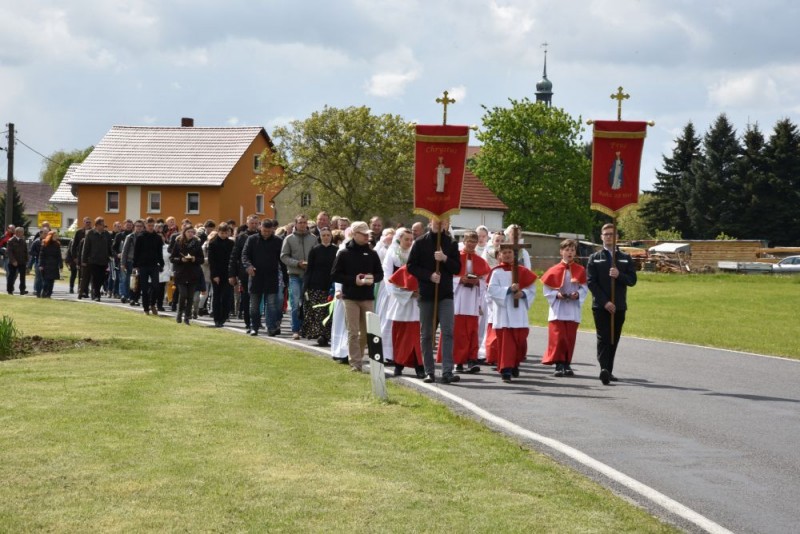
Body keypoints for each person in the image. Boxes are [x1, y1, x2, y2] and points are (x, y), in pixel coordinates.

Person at [406, 218, 461, 384]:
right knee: (427, 334)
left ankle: (447, 371)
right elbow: (411, 266)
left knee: (448, 331)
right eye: (436, 220)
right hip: (427, 294)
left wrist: (445, 259)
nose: (439, 223)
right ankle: (429, 371)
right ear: (430, 221)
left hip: (445, 294)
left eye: (443, 221)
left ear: (447, 223)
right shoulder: (420, 242)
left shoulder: (451, 243)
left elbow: (457, 268)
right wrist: (429, 276)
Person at [587, 223, 637, 385]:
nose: (609, 236)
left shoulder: (625, 258)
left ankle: (609, 369)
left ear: (617, 237)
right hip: (601, 306)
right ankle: (604, 369)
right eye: (606, 234)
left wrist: (619, 275)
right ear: (601, 237)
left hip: (619, 305)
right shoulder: (595, 258)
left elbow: (632, 280)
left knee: (614, 338)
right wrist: (605, 302)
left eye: (612, 234)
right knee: (603, 337)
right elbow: (591, 283)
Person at [330, 221, 384, 372]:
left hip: (367, 297)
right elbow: (335, 275)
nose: (367, 236)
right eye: (363, 234)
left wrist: (372, 278)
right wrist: (354, 280)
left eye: (368, 234)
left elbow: (380, 273)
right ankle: (355, 362)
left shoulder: (372, 254)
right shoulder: (344, 253)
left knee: (367, 332)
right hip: (350, 297)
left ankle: (357, 357)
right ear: (354, 234)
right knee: (353, 332)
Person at [441, 230, 490, 374]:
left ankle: (471, 359)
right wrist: (459, 280)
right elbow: (447, 277)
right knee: (457, 331)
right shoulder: (456, 258)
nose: (471, 244)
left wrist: (477, 282)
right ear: (464, 241)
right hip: (458, 299)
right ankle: (458, 361)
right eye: (469, 241)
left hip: (473, 299)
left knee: (472, 331)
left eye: (474, 241)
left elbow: (485, 280)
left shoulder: (480, 260)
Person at [487, 245, 537, 382]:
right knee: (506, 343)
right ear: (499, 255)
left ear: (515, 254)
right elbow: (492, 290)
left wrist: (523, 294)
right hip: (504, 313)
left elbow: (532, 289)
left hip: (519, 312)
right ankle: (505, 369)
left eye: (510, 252)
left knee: (519, 340)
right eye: (504, 252)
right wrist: (508, 290)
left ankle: (514, 363)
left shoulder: (523, 271)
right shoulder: (496, 272)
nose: (507, 255)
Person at [541, 239, 589, 376]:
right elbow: (547, 290)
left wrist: (577, 294)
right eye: (567, 250)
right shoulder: (553, 270)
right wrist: (557, 295)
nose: (570, 252)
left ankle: (567, 364)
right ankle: (558, 364)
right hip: (559, 308)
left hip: (573, 308)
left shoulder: (580, 269)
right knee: (558, 337)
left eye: (572, 250)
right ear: (561, 251)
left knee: (569, 337)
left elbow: (584, 288)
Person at [241, 219, 285, 336]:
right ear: (260, 228)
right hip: (256, 276)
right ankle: (254, 326)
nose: (266, 233)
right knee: (254, 305)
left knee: (271, 305)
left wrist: (285, 278)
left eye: (269, 231)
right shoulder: (252, 239)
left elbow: (282, 259)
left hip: (271, 277)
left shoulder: (277, 241)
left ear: (272, 230)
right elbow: (244, 255)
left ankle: (270, 327)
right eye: (264, 231)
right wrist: (248, 266)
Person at [281, 214, 318, 340]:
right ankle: (295, 329)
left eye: (304, 222)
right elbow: (284, 256)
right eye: (300, 222)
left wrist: (310, 265)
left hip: (309, 276)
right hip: (294, 275)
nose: (302, 224)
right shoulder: (289, 239)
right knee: (295, 303)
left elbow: (316, 256)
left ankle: (306, 329)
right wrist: (297, 263)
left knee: (308, 303)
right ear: (295, 224)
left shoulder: (313, 239)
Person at [386, 264, 425, 378]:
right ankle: (398, 364)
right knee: (399, 338)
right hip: (401, 310)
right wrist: (411, 293)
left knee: (414, 340)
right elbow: (394, 288)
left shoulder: (424, 270)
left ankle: (418, 366)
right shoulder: (403, 269)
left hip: (416, 309)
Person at [301, 226, 337, 345]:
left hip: (330, 286)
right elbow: (309, 269)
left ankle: (326, 335)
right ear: (320, 237)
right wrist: (305, 286)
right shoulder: (315, 250)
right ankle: (319, 334)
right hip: (315, 285)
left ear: (331, 237)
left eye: (328, 235)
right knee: (318, 311)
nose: (326, 238)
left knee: (329, 312)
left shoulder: (336, 250)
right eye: (323, 235)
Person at [229, 214, 261, 333]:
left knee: (258, 299)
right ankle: (249, 323)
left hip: (260, 272)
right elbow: (234, 256)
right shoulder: (241, 237)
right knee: (247, 298)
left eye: (255, 223)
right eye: (251, 223)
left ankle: (257, 321)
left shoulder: (261, 235)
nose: (253, 225)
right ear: (247, 223)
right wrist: (232, 274)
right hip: (245, 272)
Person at [170, 226, 204, 325]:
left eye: (192, 232)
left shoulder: (197, 243)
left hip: (193, 273)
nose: (190, 233)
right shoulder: (178, 243)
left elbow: (201, 259)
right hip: (181, 273)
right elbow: (172, 258)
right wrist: (181, 260)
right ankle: (179, 313)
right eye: (188, 232)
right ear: (184, 232)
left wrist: (194, 259)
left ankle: (187, 317)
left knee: (190, 296)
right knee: (183, 294)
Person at [133, 217, 165, 315]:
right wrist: (135, 265)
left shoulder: (158, 237)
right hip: (143, 265)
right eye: (149, 225)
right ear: (145, 226)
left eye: (152, 225)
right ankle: (146, 308)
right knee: (144, 287)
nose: (151, 227)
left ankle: (152, 304)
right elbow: (136, 252)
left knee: (156, 287)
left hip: (154, 265)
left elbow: (159, 252)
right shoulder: (140, 237)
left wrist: (161, 263)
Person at [207, 222, 234, 328]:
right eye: (221, 233)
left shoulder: (231, 243)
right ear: (218, 232)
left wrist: (232, 274)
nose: (223, 235)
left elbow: (232, 260)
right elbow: (211, 261)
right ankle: (217, 318)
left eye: (225, 233)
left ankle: (224, 316)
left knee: (226, 296)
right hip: (217, 274)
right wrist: (215, 275)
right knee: (217, 296)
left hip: (228, 273)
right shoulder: (213, 243)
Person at [81, 217, 112, 302]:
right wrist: (84, 260)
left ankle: (95, 291)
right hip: (93, 260)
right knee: (95, 278)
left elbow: (110, 247)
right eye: (102, 225)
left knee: (102, 278)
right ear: (97, 225)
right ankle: (97, 295)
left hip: (104, 260)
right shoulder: (90, 233)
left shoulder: (106, 234)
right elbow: (86, 248)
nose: (103, 227)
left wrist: (114, 255)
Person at [121, 220, 144, 306]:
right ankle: (131, 298)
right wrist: (123, 263)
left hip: (141, 263)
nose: (139, 228)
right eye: (137, 226)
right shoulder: (129, 237)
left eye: (140, 226)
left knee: (140, 282)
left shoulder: (145, 237)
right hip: (131, 261)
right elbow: (124, 251)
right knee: (131, 281)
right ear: (134, 227)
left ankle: (136, 298)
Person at [71, 217, 93, 299]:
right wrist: (75, 257)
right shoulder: (79, 232)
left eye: (89, 222)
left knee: (89, 276)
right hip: (81, 258)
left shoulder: (92, 232)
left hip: (90, 258)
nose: (88, 223)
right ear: (83, 223)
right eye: (86, 222)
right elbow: (74, 246)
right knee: (82, 276)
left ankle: (86, 292)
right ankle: (81, 291)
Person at [38, 230, 63, 298]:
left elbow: (59, 256)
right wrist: (41, 265)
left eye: (56, 236)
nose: (56, 237)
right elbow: (41, 255)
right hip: (46, 265)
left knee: (52, 281)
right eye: (54, 236)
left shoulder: (57, 244)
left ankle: (49, 294)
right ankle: (44, 292)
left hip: (54, 265)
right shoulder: (45, 243)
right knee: (46, 281)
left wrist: (61, 265)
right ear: (50, 236)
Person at [5, 227, 29, 295]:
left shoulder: (23, 241)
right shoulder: (11, 241)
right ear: (17, 233)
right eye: (21, 232)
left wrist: (26, 261)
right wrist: (13, 261)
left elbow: (25, 251)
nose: (23, 233)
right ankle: (9, 290)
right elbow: (9, 252)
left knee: (22, 277)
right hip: (13, 263)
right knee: (11, 276)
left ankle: (22, 290)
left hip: (22, 262)